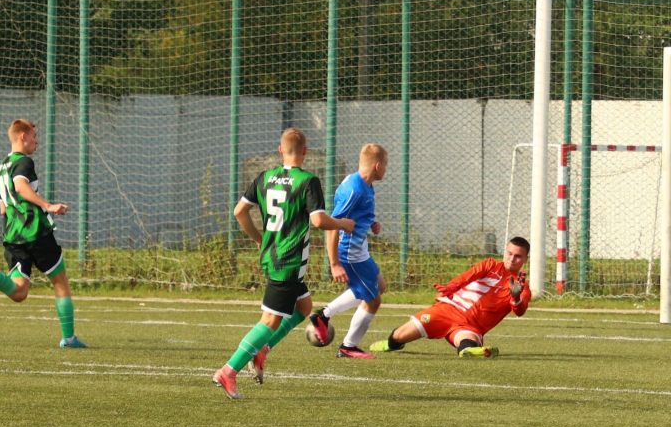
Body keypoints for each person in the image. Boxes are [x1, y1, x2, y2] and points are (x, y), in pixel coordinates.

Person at [212, 127, 355, 399]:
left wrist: (258, 238)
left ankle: (262, 350)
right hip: (288, 262)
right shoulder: (308, 181)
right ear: (305, 151)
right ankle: (228, 371)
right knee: (270, 321)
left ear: (280, 150)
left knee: (304, 307)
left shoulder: (265, 177)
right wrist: (343, 224)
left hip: (273, 256)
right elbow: (318, 221)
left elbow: (239, 211)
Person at [0, 119, 86, 349]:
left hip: (12, 236)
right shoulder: (24, 162)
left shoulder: (2, 167)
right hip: (34, 232)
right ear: (22, 136)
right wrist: (48, 206)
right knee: (60, 281)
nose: (36, 141)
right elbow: (21, 187)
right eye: (34, 136)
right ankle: (69, 338)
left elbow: (3, 208)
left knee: (20, 292)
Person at [369, 236, 531, 358]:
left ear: (525, 259)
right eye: (509, 253)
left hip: (469, 326)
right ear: (505, 251)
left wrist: (515, 297)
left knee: (467, 342)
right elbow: (467, 276)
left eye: (518, 256)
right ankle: (391, 344)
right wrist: (450, 287)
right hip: (447, 310)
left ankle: (472, 350)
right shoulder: (490, 265)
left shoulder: (522, 286)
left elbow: (520, 311)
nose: (512, 259)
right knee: (398, 336)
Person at [309, 143, 388, 359]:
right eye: (386, 164)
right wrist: (334, 263)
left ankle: (323, 315)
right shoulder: (354, 189)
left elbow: (357, 214)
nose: (386, 169)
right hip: (350, 253)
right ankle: (348, 346)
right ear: (378, 165)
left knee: (379, 286)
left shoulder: (365, 184)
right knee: (373, 300)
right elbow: (332, 224)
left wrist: (371, 223)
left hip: (360, 248)